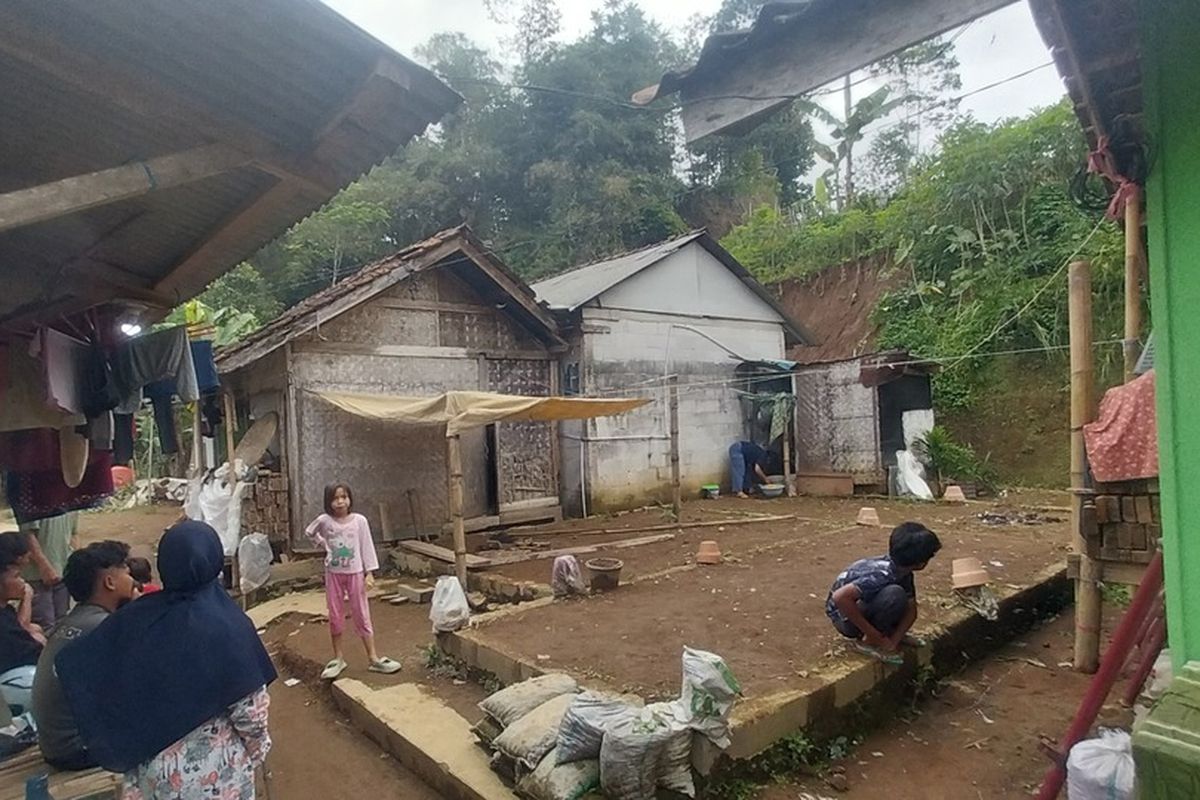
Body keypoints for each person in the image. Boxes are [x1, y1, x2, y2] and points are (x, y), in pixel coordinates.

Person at [56, 521, 276, 798]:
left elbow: (95, 670)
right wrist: (257, 752)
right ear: (214, 560)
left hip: (150, 771)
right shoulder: (227, 624)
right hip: (214, 774)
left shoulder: (138, 618)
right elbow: (249, 711)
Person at [32, 540, 137, 770]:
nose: (133, 582)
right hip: (79, 750)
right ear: (110, 582)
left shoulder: (75, 620)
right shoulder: (103, 627)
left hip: (57, 747)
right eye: (127, 573)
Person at [306, 482, 401, 679]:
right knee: (335, 615)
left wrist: (370, 573)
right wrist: (323, 544)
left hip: (356, 573)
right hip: (333, 574)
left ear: (350, 499)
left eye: (344, 497)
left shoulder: (359, 521)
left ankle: (373, 658)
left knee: (361, 613)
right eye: (335, 498)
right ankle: (338, 658)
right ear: (328, 501)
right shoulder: (325, 520)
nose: (340, 502)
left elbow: (366, 546)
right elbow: (309, 531)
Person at [825, 522, 942, 665]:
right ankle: (867, 642)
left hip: (862, 607)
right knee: (895, 595)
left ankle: (885, 634)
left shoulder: (904, 572)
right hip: (844, 619)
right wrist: (874, 635)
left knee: (900, 597)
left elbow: (912, 611)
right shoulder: (881, 575)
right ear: (921, 563)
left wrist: (894, 640)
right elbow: (840, 598)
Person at [0, 533, 44, 717]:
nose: (23, 582)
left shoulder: (6, 611)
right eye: (17, 576)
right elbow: (37, 652)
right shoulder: (4, 627)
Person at [20, 511, 78, 631]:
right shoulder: (34, 497)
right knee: (45, 625)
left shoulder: (71, 500)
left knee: (62, 623)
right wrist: (45, 567)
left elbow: (73, 533)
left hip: (63, 571)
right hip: (37, 575)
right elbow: (27, 535)